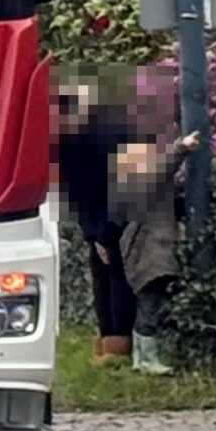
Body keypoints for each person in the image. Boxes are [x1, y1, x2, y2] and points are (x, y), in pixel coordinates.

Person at [52, 73, 135, 363]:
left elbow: (123, 191)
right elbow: (78, 197)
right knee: (103, 278)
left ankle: (120, 343)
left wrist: (105, 234)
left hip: (121, 220)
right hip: (97, 221)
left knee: (117, 277)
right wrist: (93, 235)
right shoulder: (69, 146)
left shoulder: (109, 138)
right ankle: (109, 341)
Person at [110, 123, 199, 375]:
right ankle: (148, 359)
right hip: (150, 250)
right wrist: (181, 147)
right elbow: (161, 170)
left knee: (147, 302)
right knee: (151, 303)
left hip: (143, 249)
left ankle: (142, 359)